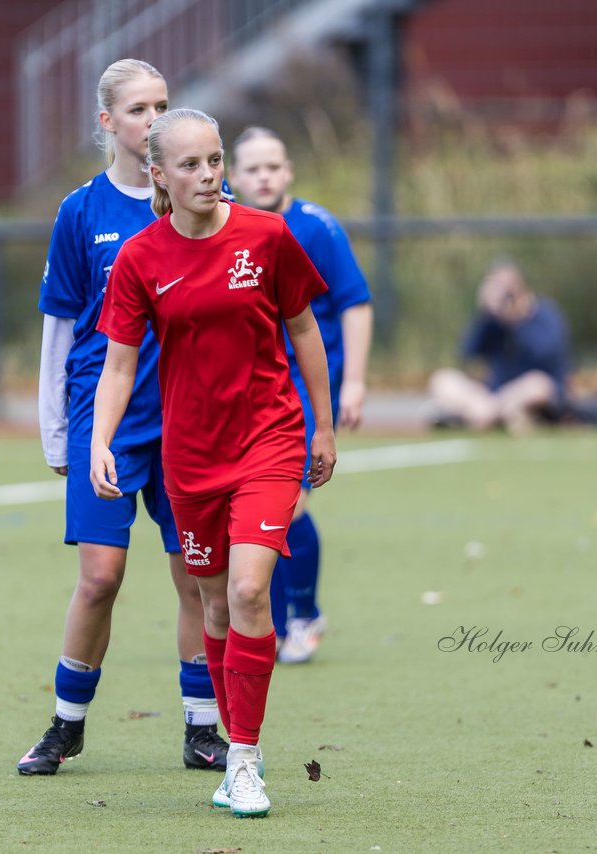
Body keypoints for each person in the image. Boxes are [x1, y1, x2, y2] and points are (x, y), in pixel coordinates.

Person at [91, 108, 337, 819]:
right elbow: (118, 364)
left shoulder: (266, 236)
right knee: (214, 605)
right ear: (157, 174)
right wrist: (100, 441)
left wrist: (323, 428)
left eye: (215, 160)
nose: (208, 175)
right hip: (191, 457)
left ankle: (245, 759)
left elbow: (303, 330)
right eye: (191, 165)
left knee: (252, 592)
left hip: (270, 437)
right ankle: (234, 751)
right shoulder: (141, 258)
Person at [22, 59, 229, 777]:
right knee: (100, 577)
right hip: (102, 420)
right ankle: (66, 724)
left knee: (197, 577)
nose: (153, 119)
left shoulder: (205, 201)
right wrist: (58, 430)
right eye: (138, 109)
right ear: (107, 122)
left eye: (163, 105)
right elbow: (60, 327)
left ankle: (202, 728)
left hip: (187, 422)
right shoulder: (82, 211)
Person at [229, 126, 372, 665]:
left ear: (287, 171)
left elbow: (355, 302)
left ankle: (304, 616)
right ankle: (279, 614)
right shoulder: (228, 228)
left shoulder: (316, 227)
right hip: (250, 394)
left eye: (273, 166)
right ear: (233, 178)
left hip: (308, 393)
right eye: (253, 168)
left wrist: (353, 382)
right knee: (260, 508)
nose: (264, 176)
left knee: (288, 502)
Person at [428, 260, 569, 434]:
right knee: (442, 380)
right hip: (494, 394)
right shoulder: (492, 321)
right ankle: (497, 415)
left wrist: (515, 320)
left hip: (530, 393)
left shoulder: (545, 313)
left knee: (538, 384)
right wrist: (484, 314)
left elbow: (544, 352)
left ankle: (479, 416)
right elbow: (468, 352)